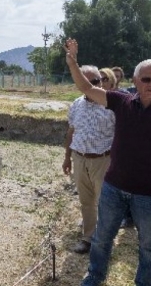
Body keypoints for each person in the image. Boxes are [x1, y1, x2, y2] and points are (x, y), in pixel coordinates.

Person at [63, 39, 151, 286]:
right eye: (146, 79)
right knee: (101, 238)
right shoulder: (122, 102)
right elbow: (86, 88)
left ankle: (145, 282)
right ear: (134, 80)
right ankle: (95, 275)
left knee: (149, 246)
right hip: (114, 186)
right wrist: (72, 62)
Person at [62, 66, 115, 254]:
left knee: (105, 202)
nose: (93, 85)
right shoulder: (76, 104)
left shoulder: (112, 105)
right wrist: (67, 157)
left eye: (96, 81)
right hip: (79, 159)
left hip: (103, 160)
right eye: (88, 82)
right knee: (86, 201)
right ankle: (88, 237)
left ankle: (104, 241)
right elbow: (71, 131)